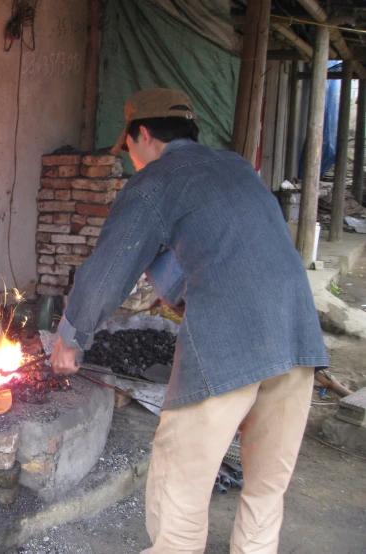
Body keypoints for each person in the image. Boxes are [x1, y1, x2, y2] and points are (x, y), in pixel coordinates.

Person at [49, 88, 328, 554]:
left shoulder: (156, 180)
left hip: (227, 343)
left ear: (143, 135)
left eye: (129, 149)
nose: (131, 159)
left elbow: (108, 269)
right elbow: (227, 250)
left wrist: (70, 339)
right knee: (265, 490)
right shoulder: (237, 167)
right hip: (297, 337)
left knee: (181, 485)